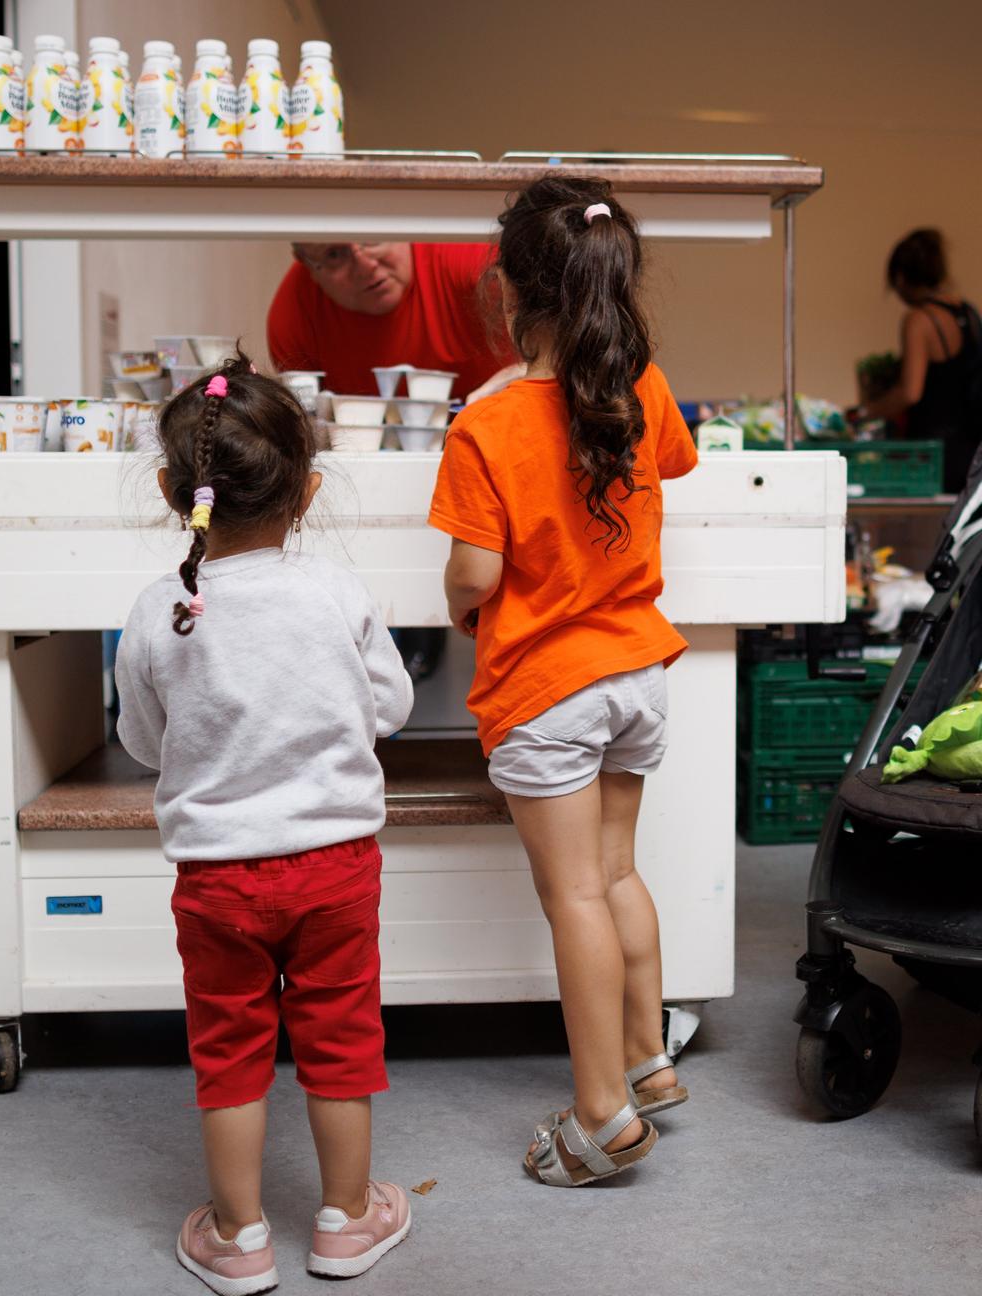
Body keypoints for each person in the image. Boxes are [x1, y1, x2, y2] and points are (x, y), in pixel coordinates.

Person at [115, 356, 414, 1293]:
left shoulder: (160, 610)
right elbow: (391, 707)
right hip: (334, 866)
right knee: (340, 1034)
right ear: (309, 488)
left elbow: (142, 741)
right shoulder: (335, 593)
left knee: (230, 1048)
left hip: (215, 880)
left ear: (172, 491)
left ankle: (240, 1236)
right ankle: (347, 1219)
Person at [428, 176, 698, 1188]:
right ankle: (648, 1060)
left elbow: (476, 576)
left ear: (506, 289)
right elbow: (666, 465)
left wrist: (462, 603)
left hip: (549, 687)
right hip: (637, 671)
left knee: (574, 893)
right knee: (619, 873)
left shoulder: (485, 428)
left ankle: (600, 1114)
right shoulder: (643, 385)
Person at [266, 241, 522, 402]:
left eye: (372, 238)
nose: (365, 266)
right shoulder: (294, 317)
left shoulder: (463, 256)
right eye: (334, 254)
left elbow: (561, 313)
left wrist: (529, 373)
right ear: (309, 267)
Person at [854, 228, 981, 493]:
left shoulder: (920, 320)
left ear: (901, 278)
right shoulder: (969, 315)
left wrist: (864, 413)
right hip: (971, 451)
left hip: (932, 456)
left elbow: (910, 392)